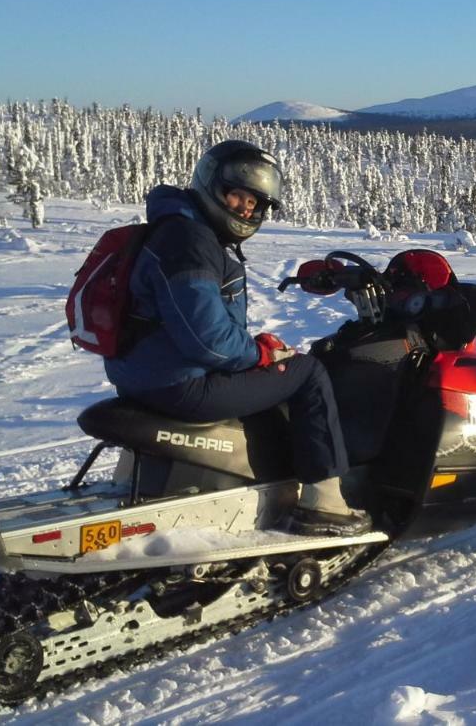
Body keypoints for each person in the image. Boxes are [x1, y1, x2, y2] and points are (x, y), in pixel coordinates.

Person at [104, 139, 371, 537]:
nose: (247, 209)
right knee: (308, 373)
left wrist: (255, 348)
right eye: (239, 196)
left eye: (257, 204)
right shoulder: (191, 241)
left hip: (145, 376)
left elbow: (193, 321)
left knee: (273, 373)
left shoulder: (179, 229)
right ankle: (325, 503)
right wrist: (259, 354)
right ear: (213, 186)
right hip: (180, 383)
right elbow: (208, 340)